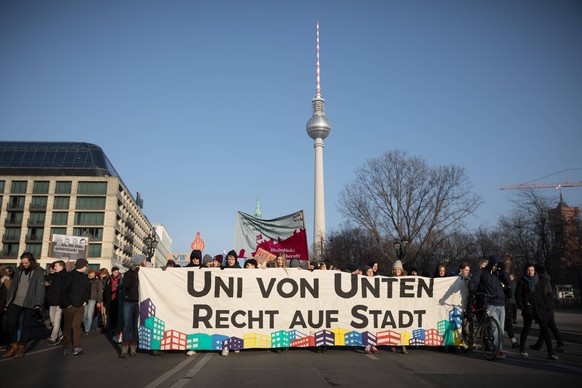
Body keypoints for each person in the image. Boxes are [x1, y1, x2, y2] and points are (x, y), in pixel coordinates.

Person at [3, 252, 46, 359]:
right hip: (16, 301)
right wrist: (8, 302)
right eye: (22, 262)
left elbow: (40, 288)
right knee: (10, 324)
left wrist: (38, 303)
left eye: (26, 263)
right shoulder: (18, 270)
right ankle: (14, 345)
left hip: (30, 302)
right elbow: (12, 287)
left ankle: (21, 347)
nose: (24, 264)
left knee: (25, 326)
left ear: (31, 261)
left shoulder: (38, 272)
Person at [468, 255, 509, 359]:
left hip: (501, 302)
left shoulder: (498, 273)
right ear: (491, 264)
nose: (496, 267)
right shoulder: (482, 272)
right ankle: (496, 350)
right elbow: (473, 281)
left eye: (497, 265)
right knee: (496, 327)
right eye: (495, 265)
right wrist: (472, 289)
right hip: (490, 303)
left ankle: (497, 347)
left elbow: (507, 282)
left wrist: (503, 269)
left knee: (501, 330)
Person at [515, 263, 559, 360]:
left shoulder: (539, 280)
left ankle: (550, 352)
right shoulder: (522, 281)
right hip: (528, 309)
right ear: (525, 271)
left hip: (540, 309)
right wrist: (523, 307)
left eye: (532, 270)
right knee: (526, 329)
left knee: (545, 329)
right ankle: (522, 348)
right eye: (528, 270)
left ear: (534, 271)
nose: (530, 272)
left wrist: (546, 307)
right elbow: (518, 296)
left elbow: (545, 295)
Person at [529, 265, 566, 353]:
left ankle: (557, 345)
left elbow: (543, 294)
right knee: (549, 326)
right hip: (549, 306)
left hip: (545, 307)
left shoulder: (542, 280)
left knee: (545, 326)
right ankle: (543, 344)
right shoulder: (545, 279)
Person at [61, 258, 90, 356]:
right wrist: (67, 304)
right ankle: (66, 346)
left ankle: (77, 346)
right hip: (70, 306)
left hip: (81, 306)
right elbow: (64, 290)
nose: (87, 268)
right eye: (86, 266)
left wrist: (85, 301)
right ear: (82, 266)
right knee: (67, 327)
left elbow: (87, 291)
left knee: (77, 326)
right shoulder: (69, 276)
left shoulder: (85, 277)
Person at [120, 254, 147, 358]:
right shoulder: (128, 274)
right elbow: (125, 286)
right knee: (127, 324)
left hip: (139, 302)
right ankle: (125, 346)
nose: (145, 262)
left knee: (136, 325)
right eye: (144, 261)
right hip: (128, 302)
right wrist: (134, 274)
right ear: (139, 262)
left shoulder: (144, 274)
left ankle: (133, 346)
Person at [46, 260, 67, 347]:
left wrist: (65, 301)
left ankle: (53, 338)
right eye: (54, 266)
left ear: (61, 267)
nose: (54, 267)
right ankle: (60, 334)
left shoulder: (66, 276)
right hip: (52, 302)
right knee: (53, 321)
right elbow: (50, 287)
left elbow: (66, 290)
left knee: (57, 321)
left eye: (56, 266)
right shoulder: (53, 276)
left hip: (60, 302)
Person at [391, 260, 408, 354]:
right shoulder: (389, 280)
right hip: (393, 306)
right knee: (393, 325)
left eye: (399, 269)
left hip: (403, 306)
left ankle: (403, 345)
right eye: (395, 269)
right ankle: (393, 344)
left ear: (401, 270)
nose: (397, 270)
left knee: (403, 326)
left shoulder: (406, 280)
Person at [502, 256, 519, 349]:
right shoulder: (500, 273)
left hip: (508, 301)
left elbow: (512, 287)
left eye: (508, 261)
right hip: (502, 300)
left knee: (508, 321)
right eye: (506, 261)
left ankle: (513, 340)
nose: (507, 263)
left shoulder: (511, 274)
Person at [103, 266, 122, 342]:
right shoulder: (108, 279)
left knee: (116, 315)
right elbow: (106, 290)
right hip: (110, 300)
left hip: (117, 300)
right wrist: (106, 299)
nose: (116, 273)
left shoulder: (121, 279)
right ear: (112, 272)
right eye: (114, 272)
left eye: (117, 272)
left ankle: (115, 329)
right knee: (110, 314)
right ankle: (111, 328)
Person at [83, 269, 103, 335]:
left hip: (92, 299)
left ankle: (87, 329)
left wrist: (99, 301)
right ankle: (86, 326)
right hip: (84, 299)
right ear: (89, 273)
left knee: (89, 315)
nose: (93, 275)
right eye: (92, 273)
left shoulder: (97, 281)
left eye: (94, 274)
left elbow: (99, 292)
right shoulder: (85, 280)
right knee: (84, 315)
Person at [0, 266, 14, 351]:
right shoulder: (3, 279)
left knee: (4, 326)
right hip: (2, 306)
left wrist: (6, 306)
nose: (4, 274)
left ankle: (5, 343)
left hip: (4, 306)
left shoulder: (8, 280)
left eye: (6, 272)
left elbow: (10, 293)